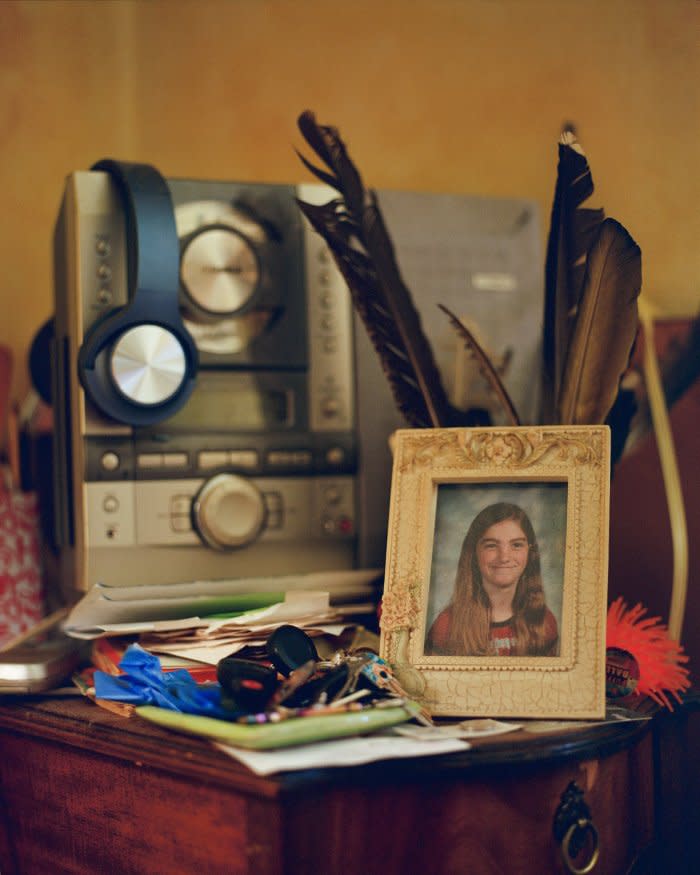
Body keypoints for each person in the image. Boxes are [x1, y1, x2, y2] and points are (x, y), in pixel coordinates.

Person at [425, 502, 559, 657]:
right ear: (474, 553)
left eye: (516, 545)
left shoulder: (545, 623)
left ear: (530, 552)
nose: (504, 557)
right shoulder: (446, 625)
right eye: (491, 546)